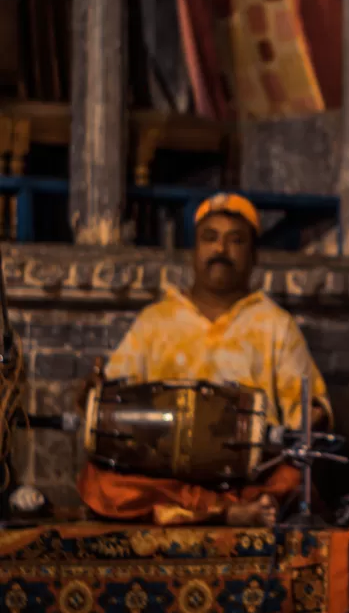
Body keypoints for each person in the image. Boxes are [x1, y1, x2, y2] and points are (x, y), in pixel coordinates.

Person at [78, 193, 333, 527]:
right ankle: (227, 514)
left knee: (292, 478)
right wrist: (93, 394)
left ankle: (200, 513)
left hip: (243, 478)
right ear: (194, 251)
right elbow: (108, 402)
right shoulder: (156, 320)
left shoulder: (275, 324)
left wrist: (310, 419)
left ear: (253, 255)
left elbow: (308, 414)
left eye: (235, 240)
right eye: (210, 238)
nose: (221, 250)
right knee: (100, 482)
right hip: (164, 474)